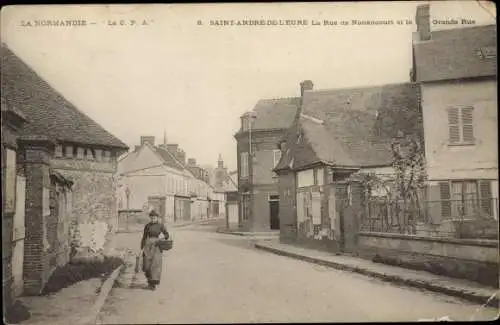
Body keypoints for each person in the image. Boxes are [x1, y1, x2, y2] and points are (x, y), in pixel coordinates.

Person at [140, 209, 169, 290]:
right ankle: (149, 282)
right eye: (152, 217)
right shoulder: (147, 226)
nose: (153, 219)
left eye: (154, 217)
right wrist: (141, 248)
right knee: (147, 264)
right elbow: (144, 237)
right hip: (148, 245)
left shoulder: (161, 225)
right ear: (150, 218)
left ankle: (153, 284)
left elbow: (167, 235)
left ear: (157, 218)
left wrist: (161, 238)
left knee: (155, 265)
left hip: (157, 246)